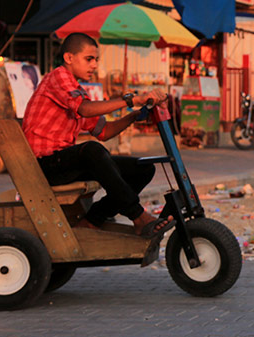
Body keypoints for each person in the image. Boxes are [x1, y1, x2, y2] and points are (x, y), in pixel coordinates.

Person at [22, 33, 172, 237]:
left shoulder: (76, 90)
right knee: (92, 151)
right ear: (69, 58)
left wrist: (133, 116)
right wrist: (131, 100)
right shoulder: (58, 76)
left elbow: (103, 131)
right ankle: (139, 217)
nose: (94, 65)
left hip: (63, 163)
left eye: (96, 60)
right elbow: (85, 109)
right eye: (89, 59)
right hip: (44, 165)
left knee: (142, 168)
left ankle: (92, 221)